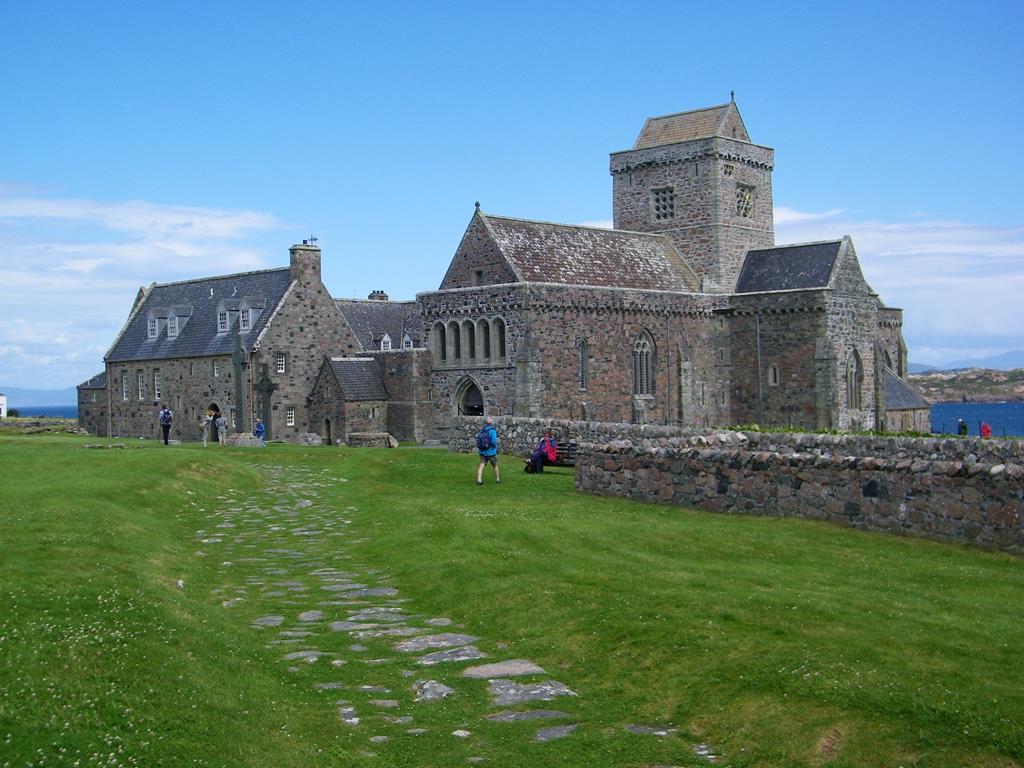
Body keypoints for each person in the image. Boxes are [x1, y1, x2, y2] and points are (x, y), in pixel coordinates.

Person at [475, 416, 500, 485]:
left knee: (481, 465)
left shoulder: (482, 430)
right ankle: (498, 479)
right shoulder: (492, 431)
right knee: (495, 465)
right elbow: (494, 441)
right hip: (491, 452)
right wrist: (495, 448)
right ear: (492, 423)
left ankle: (479, 480)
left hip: (482, 451)